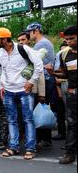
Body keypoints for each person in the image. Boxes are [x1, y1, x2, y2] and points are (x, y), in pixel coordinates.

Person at [0, 27, 43, 160]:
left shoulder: (22, 49)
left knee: (28, 119)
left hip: (24, 90)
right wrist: (1, 86)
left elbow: (39, 64)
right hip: (8, 91)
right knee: (11, 120)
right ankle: (13, 147)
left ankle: (30, 148)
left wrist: (31, 81)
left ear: (4, 39)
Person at [47, 25, 77, 164]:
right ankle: (69, 154)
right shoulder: (65, 54)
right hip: (72, 95)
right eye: (67, 39)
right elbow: (65, 73)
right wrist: (53, 72)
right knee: (71, 123)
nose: (69, 42)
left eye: (72, 38)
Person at [26, 22, 57, 150]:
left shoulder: (41, 44)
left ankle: (42, 140)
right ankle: (45, 139)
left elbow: (33, 63)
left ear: (36, 30)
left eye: (29, 32)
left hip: (44, 81)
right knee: (42, 108)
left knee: (38, 109)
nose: (28, 35)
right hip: (46, 79)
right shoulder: (45, 43)